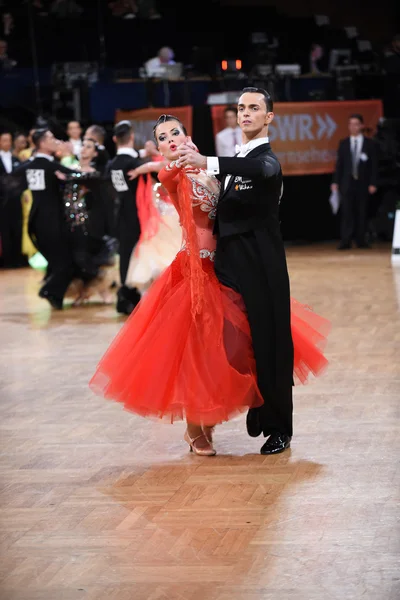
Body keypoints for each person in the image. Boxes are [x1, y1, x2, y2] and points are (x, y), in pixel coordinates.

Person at [90, 113, 329, 456]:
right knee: (193, 352)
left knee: (231, 346)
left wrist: (202, 161)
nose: (171, 139)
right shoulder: (171, 173)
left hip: (223, 269)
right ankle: (194, 428)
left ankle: (220, 416)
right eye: (163, 137)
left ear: (188, 136)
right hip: (191, 272)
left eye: (176, 133)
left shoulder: (210, 169)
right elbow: (168, 171)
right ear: (157, 146)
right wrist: (166, 160)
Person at [178, 88, 330, 455]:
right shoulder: (235, 161)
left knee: (272, 344)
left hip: (262, 267)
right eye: (241, 108)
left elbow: (260, 170)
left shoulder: (266, 161)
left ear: (269, 117)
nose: (245, 113)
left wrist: (206, 161)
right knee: (226, 343)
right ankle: (215, 418)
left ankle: (279, 427)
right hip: (228, 266)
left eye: (254, 108)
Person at [7, 129, 79, 309]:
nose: (55, 141)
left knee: (58, 262)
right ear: (42, 143)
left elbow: (10, 183)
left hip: (36, 221)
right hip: (52, 221)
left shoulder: (29, 166)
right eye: (51, 138)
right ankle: (49, 290)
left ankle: (55, 296)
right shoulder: (50, 167)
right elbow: (77, 176)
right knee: (66, 261)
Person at [124, 145, 182, 296]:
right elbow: (149, 165)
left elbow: (149, 165)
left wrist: (137, 171)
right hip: (165, 217)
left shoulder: (180, 165)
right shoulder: (167, 165)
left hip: (175, 217)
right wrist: (137, 171)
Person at [106, 120, 143, 314]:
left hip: (119, 216)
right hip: (137, 216)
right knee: (135, 256)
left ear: (114, 139)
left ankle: (127, 294)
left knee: (125, 256)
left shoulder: (112, 164)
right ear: (132, 137)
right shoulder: (134, 163)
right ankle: (127, 296)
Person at [331, 113, 378, 249]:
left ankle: (361, 240)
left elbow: (374, 165)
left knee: (362, 212)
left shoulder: (369, 144)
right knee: (347, 212)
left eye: (356, 124)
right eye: (350, 124)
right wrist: (335, 182)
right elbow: (339, 165)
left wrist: (373, 183)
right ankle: (346, 240)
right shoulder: (344, 143)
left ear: (361, 126)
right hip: (347, 183)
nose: (353, 127)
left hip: (363, 183)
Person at [0, 131, 26, 268]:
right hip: (2, 200)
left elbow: (21, 178)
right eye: (4, 140)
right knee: (4, 230)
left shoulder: (16, 159)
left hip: (16, 200)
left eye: (9, 140)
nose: (7, 143)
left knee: (17, 227)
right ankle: (6, 259)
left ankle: (18, 258)